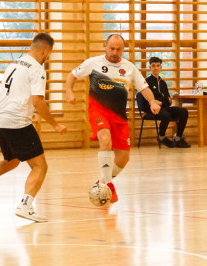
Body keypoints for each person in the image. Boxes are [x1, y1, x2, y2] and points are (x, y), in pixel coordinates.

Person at [0, 33, 68, 222]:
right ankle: (26, 205)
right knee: (40, 166)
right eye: (49, 54)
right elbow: (37, 102)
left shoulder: (14, 64)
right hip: (17, 121)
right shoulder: (37, 69)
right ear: (45, 51)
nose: (47, 58)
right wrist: (55, 125)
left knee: (11, 161)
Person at [66, 34, 160, 202]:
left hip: (119, 116)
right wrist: (69, 91)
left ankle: (101, 182)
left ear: (123, 49)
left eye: (118, 49)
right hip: (98, 111)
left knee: (123, 158)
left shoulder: (129, 67)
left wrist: (152, 100)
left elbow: (143, 87)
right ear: (105, 46)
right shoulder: (93, 63)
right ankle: (109, 186)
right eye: (112, 48)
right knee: (105, 140)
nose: (115, 52)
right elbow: (72, 75)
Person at [144, 56, 190, 148]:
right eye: (153, 66)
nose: (156, 68)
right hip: (152, 109)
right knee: (166, 115)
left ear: (161, 67)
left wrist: (162, 102)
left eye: (158, 65)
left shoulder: (163, 83)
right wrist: (161, 101)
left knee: (183, 111)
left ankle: (178, 138)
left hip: (164, 107)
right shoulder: (146, 82)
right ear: (150, 68)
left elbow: (168, 101)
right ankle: (161, 137)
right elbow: (150, 100)